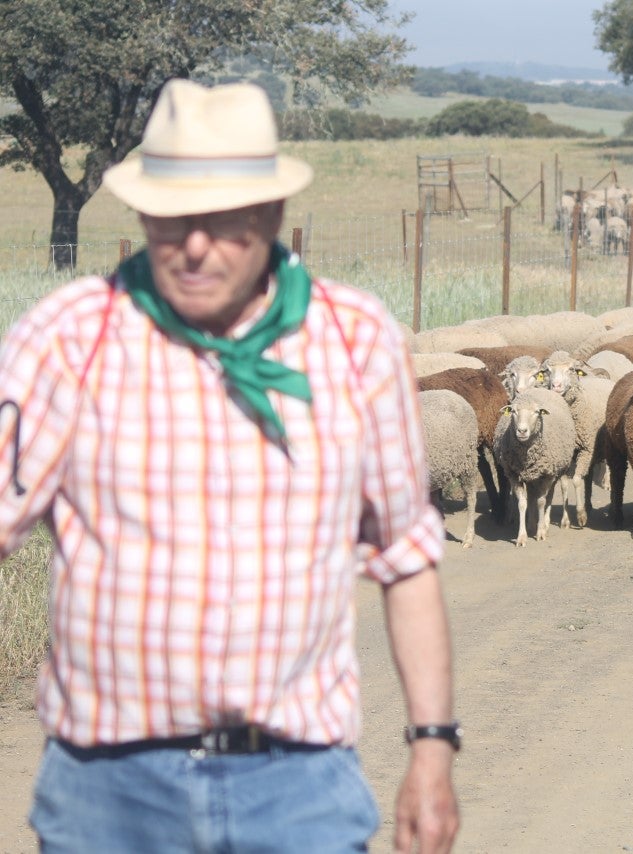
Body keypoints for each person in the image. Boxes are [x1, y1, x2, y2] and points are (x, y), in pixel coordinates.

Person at [0, 79, 459, 853]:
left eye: (223, 221)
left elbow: (405, 556)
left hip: (297, 788)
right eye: (172, 219)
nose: (195, 246)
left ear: (272, 215)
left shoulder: (354, 342)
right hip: (108, 791)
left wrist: (432, 746)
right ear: (142, 214)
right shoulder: (69, 340)